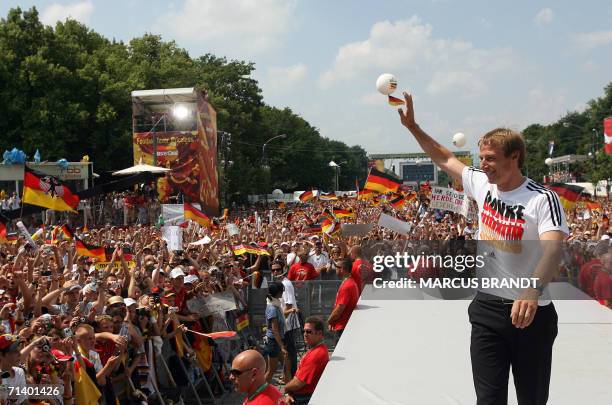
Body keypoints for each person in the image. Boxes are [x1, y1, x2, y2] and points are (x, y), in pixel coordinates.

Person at [399, 92, 568, 405]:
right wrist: (413, 126)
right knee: (488, 400)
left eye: (490, 158)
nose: (483, 165)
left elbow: (553, 250)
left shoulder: (542, 199)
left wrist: (532, 291)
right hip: (487, 309)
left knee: (532, 399)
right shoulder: (481, 183)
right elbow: (444, 157)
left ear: (515, 156)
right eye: (481, 159)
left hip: (533, 314)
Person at [283, 316, 329, 405]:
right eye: (304, 331)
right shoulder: (318, 349)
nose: (305, 334)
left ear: (319, 333)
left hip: (303, 399)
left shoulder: (316, 354)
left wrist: (286, 389)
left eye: (309, 331)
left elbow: (298, 383)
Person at [327, 258, 359, 341]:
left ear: (342, 269)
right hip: (344, 326)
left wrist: (329, 321)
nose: (335, 269)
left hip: (342, 328)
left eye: (337, 267)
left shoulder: (347, 285)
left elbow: (339, 308)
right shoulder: (349, 282)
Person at [263, 282, 288, 383]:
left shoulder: (276, 304)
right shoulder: (272, 308)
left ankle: (288, 389)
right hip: (274, 342)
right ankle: (258, 393)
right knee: (271, 371)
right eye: (282, 291)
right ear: (277, 293)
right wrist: (282, 346)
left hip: (277, 341)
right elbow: (275, 330)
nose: (283, 292)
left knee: (287, 365)